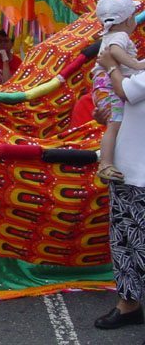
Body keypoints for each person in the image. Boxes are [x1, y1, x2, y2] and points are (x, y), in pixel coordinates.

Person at [93, 46, 145, 332]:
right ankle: (129, 305)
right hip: (126, 172)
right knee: (123, 243)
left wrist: (111, 65)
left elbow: (126, 91)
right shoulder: (140, 65)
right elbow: (123, 101)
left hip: (142, 175)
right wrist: (107, 114)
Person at [91, 0, 145, 184]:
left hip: (135, 173)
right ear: (129, 19)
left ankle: (106, 162)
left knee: (114, 123)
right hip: (107, 83)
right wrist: (134, 65)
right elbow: (114, 51)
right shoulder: (119, 36)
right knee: (115, 123)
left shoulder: (113, 35)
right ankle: (106, 163)